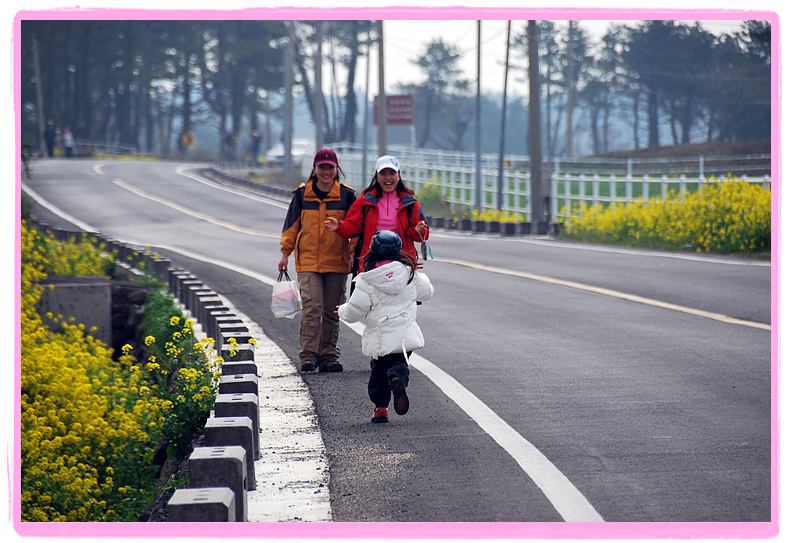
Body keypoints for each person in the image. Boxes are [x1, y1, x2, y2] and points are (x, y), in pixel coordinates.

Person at [337, 230, 434, 423]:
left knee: (379, 371)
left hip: (380, 334)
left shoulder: (367, 280)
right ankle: (397, 377)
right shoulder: (410, 273)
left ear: (372, 251)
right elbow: (426, 292)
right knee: (399, 363)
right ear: (399, 250)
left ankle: (380, 409)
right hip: (405, 333)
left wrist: (341, 310)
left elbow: (355, 310)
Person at [279, 148, 358, 373]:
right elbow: (291, 227)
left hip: (337, 261)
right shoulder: (302, 195)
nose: (326, 172)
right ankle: (309, 356)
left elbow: (355, 228)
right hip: (308, 262)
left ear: (336, 169)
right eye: (321, 167)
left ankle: (329, 356)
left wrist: (353, 253)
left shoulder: (346, 196)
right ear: (314, 169)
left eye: (330, 167)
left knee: (333, 311)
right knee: (312, 307)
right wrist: (285, 254)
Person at [324, 155, 429, 275]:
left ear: (398, 176)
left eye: (392, 173)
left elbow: (423, 235)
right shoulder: (365, 200)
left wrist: (418, 231)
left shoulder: (409, 202)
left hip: (402, 265)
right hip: (372, 265)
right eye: (383, 173)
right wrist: (339, 226)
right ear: (377, 177)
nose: (388, 178)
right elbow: (352, 227)